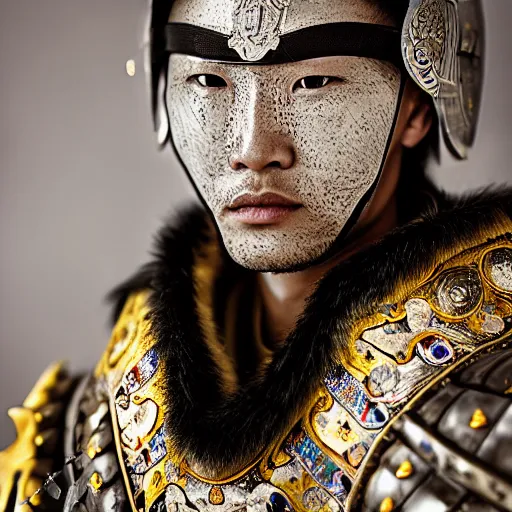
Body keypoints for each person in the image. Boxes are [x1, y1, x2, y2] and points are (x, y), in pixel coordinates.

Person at [1, 0, 511, 511]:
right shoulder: (100, 413)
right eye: (209, 82)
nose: (252, 147)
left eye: (313, 83)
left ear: (417, 108)